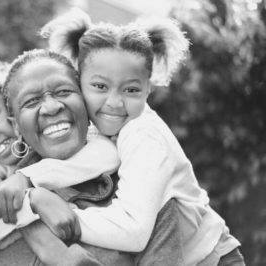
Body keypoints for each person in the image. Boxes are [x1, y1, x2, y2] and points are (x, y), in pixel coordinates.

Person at [38, 8, 245, 265]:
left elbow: (134, 231)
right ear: (78, 81)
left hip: (212, 259)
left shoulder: (143, 134)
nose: (114, 102)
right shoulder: (93, 128)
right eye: (100, 86)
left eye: (131, 89)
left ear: (149, 88)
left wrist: (61, 215)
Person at [0, 53, 183, 265]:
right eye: (31, 101)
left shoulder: (139, 191)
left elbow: (105, 155)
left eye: (64, 91)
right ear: (16, 118)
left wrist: (29, 188)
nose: (50, 107)